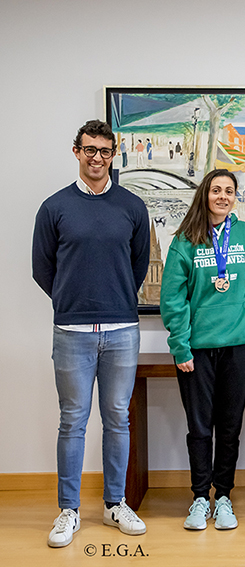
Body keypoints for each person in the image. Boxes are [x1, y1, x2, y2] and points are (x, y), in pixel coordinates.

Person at [32, 120, 150, 548]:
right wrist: (73, 301)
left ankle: (115, 503)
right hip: (72, 331)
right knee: (73, 421)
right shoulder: (54, 207)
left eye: (104, 150)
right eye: (89, 150)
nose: (97, 157)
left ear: (113, 154)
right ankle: (69, 509)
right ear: (77, 152)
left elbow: (137, 266)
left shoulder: (133, 207)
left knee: (118, 419)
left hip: (122, 330)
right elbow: (42, 269)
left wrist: (113, 297)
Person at [160, 169, 245, 531]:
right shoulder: (186, 240)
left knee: (230, 427)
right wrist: (180, 346)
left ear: (235, 197)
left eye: (228, 191)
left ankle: (225, 498)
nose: (222, 196)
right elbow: (172, 298)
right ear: (205, 194)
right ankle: (201, 497)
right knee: (200, 428)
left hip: (238, 346)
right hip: (196, 351)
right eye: (216, 190)